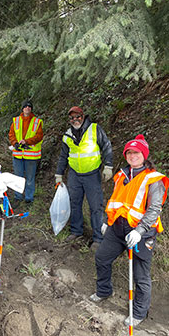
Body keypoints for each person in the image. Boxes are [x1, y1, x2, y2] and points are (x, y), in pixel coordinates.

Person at [89, 134, 169, 327]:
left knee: (140, 276)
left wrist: (139, 231)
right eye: (130, 152)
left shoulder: (153, 179)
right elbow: (117, 202)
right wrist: (108, 222)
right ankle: (104, 291)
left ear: (144, 154)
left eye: (137, 152)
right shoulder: (122, 176)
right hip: (117, 229)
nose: (133, 156)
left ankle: (139, 313)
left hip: (141, 233)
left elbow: (154, 209)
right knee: (102, 257)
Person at [55, 106, 113, 248]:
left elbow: (106, 146)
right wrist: (59, 174)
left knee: (96, 206)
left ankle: (98, 238)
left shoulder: (94, 129)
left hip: (92, 174)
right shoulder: (67, 135)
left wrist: (108, 166)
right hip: (74, 174)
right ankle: (76, 231)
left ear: (83, 116)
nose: (75, 120)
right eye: (72, 118)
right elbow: (63, 156)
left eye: (78, 117)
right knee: (74, 203)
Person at [8, 99, 43, 206]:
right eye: (25, 106)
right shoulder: (16, 121)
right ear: (22, 109)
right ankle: (18, 196)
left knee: (30, 178)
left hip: (31, 155)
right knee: (18, 177)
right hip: (18, 154)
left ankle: (29, 198)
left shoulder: (37, 121)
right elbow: (11, 134)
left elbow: (39, 136)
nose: (27, 108)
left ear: (31, 109)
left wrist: (27, 141)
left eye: (29, 106)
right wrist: (15, 143)